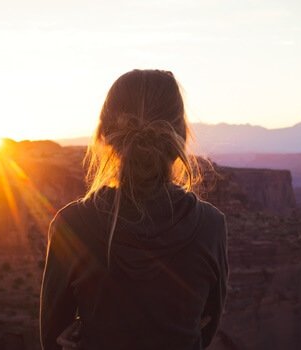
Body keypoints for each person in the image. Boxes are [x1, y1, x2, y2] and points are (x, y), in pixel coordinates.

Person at [40, 69, 229, 350]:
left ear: (104, 134)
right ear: (181, 134)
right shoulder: (211, 226)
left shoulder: (73, 224)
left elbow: (52, 337)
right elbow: (205, 329)